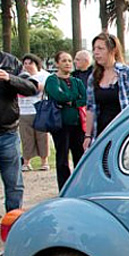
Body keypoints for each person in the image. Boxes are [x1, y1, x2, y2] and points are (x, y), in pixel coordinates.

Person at [84, 32, 129, 148]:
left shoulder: (127, 73)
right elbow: (90, 108)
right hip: (101, 133)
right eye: (94, 49)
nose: (96, 52)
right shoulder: (94, 77)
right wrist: (88, 136)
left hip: (123, 133)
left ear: (113, 50)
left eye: (100, 48)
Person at [0, 51, 37, 211]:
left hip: (7, 133)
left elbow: (31, 87)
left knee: (14, 183)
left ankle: (13, 220)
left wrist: (9, 78)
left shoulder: (10, 62)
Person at [44, 51, 87, 190]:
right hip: (60, 124)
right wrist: (73, 97)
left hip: (77, 124)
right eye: (64, 61)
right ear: (57, 63)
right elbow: (58, 95)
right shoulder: (52, 80)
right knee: (62, 157)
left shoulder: (76, 81)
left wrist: (71, 102)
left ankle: (80, 186)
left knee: (79, 155)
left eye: (69, 60)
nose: (68, 63)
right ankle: (64, 187)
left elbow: (84, 98)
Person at [17, 53, 50, 171]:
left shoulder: (44, 76)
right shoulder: (19, 77)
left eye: (30, 63)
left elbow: (48, 88)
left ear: (36, 64)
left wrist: (39, 86)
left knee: (42, 137)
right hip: (24, 111)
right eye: (25, 63)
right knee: (26, 138)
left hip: (39, 110)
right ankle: (26, 162)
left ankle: (44, 161)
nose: (27, 65)